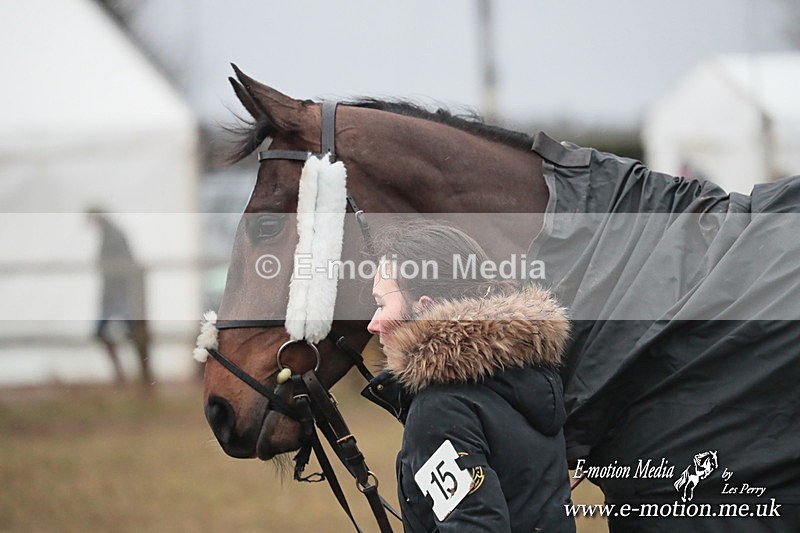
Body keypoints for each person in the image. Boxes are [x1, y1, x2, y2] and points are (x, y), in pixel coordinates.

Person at [361, 222, 575, 532]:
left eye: (382, 304)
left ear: (425, 308)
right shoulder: (527, 379)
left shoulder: (440, 410)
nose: (372, 323)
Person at [86, 207, 152, 386]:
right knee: (108, 333)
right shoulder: (109, 234)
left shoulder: (113, 235)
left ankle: (140, 377)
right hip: (115, 295)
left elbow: (120, 266)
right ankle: (125, 374)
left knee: (135, 333)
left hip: (122, 295)